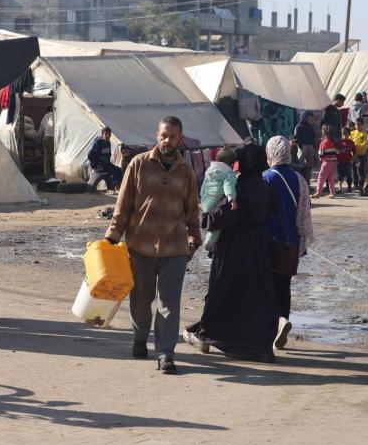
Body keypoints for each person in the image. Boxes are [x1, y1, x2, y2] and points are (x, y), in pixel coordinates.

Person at [105, 116, 201, 374]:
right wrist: (112, 237)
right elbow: (123, 205)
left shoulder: (186, 171)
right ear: (156, 136)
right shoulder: (138, 164)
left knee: (169, 303)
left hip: (175, 248)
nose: (167, 140)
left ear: (180, 139)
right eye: (163, 135)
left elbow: (193, 210)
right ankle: (139, 338)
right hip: (140, 245)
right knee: (141, 299)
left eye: (172, 136)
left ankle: (166, 354)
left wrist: (194, 239)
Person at [183, 143, 278, 363]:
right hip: (257, 248)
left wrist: (205, 216)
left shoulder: (240, 187)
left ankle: (214, 336)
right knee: (255, 295)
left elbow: (222, 215)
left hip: (233, 247)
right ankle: (257, 345)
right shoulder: (264, 187)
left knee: (223, 292)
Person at [262, 136, 314, 351]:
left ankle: (273, 325)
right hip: (290, 244)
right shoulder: (299, 179)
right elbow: (304, 211)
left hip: (268, 242)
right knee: (284, 286)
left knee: (266, 286)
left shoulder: (265, 177)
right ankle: (283, 319)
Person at [199, 147, 238, 252]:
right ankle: (209, 242)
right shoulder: (229, 173)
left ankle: (211, 240)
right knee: (218, 224)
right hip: (215, 201)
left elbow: (204, 185)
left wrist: (202, 197)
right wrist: (232, 199)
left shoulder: (209, 170)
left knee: (212, 221)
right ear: (231, 163)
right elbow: (228, 186)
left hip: (206, 200)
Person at [87, 127, 123, 192]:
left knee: (118, 170)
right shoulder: (98, 142)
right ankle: (116, 187)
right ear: (102, 134)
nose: (108, 136)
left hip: (105, 164)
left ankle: (115, 186)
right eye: (106, 134)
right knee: (114, 170)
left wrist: (107, 161)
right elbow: (90, 155)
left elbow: (108, 155)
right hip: (97, 165)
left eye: (109, 134)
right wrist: (100, 160)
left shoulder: (108, 143)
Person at [312, 125, 338, 199]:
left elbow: (321, 154)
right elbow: (337, 152)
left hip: (326, 162)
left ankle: (318, 192)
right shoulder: (334, 142)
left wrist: (321, 159)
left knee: (321, 177)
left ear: (324, 133)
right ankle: (332, 193)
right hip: (333, 162)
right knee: (331, 178)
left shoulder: (323, 143)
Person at [294, 111, 317, 186]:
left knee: (309, 165)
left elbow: (313, 138)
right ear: (305, 117)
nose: (312, 120)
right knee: (300, 165)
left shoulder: (311, 127)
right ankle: (300, 184)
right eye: (310, 118)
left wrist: (313, 147)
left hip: (310, 147)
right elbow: (296, 137)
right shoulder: (299, 126)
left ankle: (307, 184)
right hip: (302, 147)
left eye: (312, 119)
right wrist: (300, 147)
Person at [350, 117, 368, 189]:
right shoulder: (352, 133)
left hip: (361, 155)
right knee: (354, 171)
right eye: (356, 124)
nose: (357, 126)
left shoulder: (365, 135)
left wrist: (355, 145)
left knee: (360, 171)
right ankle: (355, 184)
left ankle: (361, 185)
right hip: (353, 156)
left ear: (363, 125)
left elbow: (364, 145)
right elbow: (349, 142)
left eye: (359, 124)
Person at [337, 127, 356, 193]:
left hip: (348, 162)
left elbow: (354, 151)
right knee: (340, 175)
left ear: (349, 134)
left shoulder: (351, 142)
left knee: (349, 175)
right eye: (343, 134)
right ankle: (340, 188)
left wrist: (353, 159)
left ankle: (349, 187)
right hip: (340, 162)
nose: (344, 136)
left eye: (346, 134)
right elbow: (336, 151)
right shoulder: (339, 142)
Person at [41, 109, 55, 180]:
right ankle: (55, 174)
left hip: (45, 138)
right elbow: (51, 125)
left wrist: (37, 139)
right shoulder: (52, 115)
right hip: (51, 138)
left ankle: (47, 175)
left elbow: (41, 130)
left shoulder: (44, 117)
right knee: (53, 157)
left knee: (46, 158)